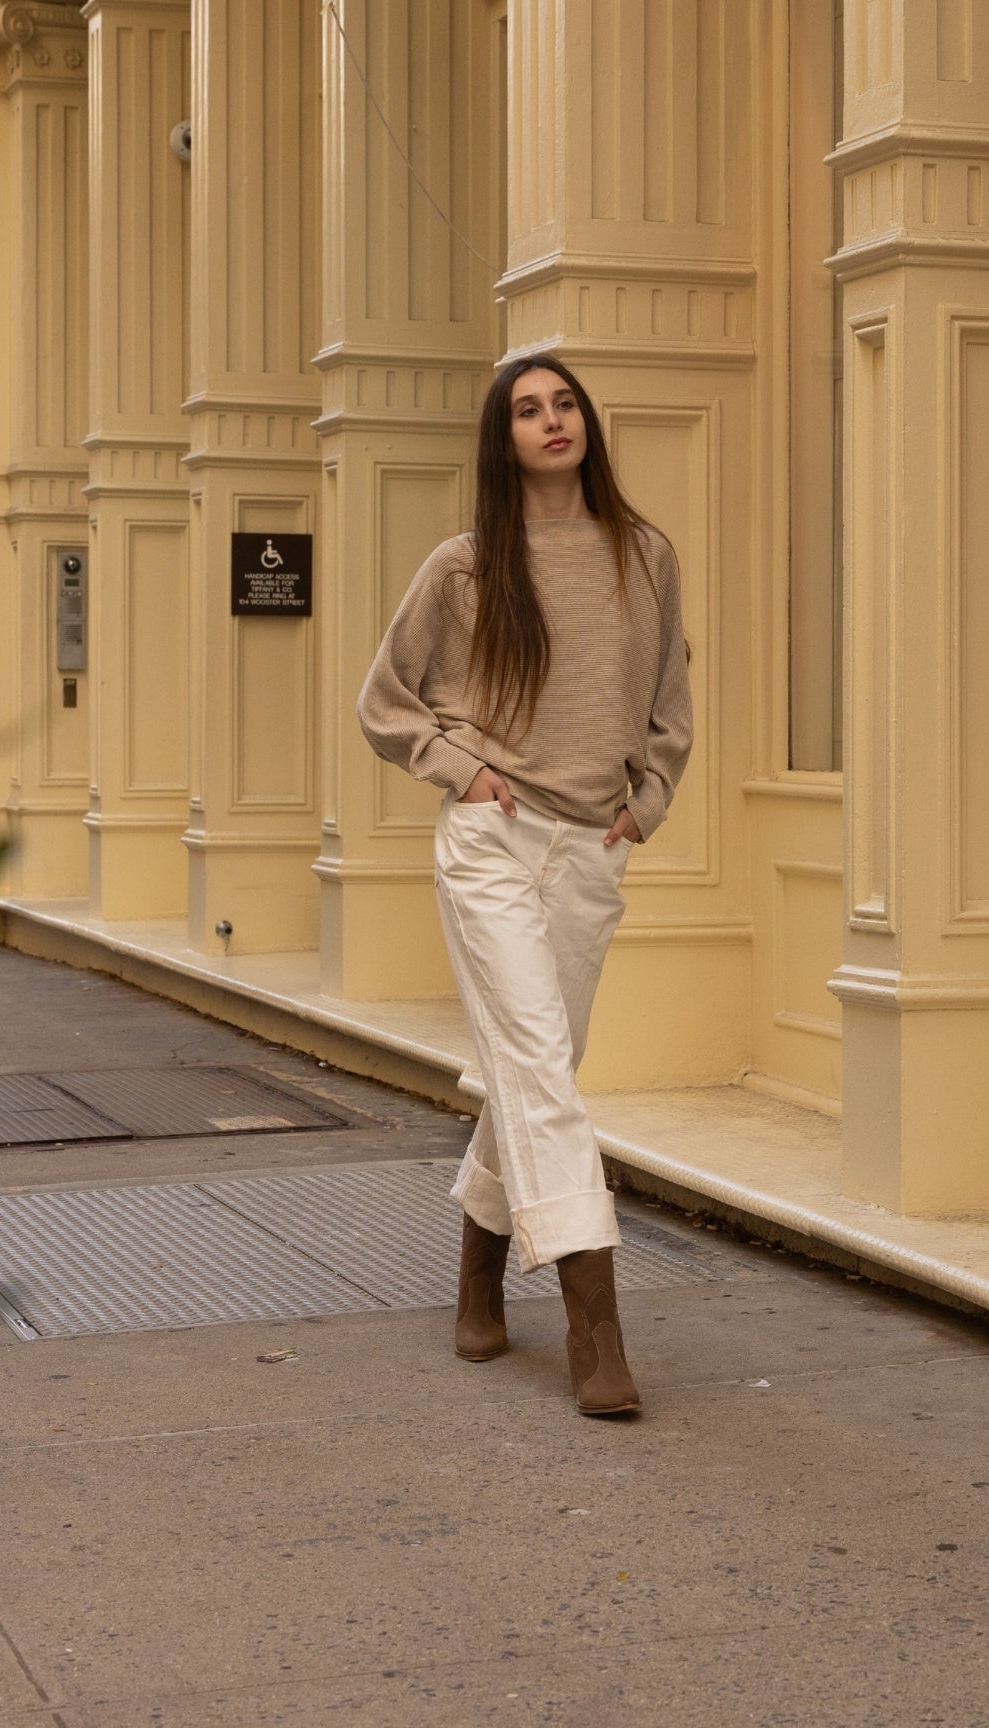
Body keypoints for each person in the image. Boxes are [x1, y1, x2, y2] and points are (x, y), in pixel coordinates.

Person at [357, 355, 693, 1418]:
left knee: (536, 1063)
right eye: (527, 410)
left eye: (563, 404)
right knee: (542, 1067)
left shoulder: (645, 556)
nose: (552, 421)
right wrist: (464, 772)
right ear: (501, 442)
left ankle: (476, 1271)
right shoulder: (462, 569)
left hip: (591, 849)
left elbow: (669, 700)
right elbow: (385, 701)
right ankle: (597, 1330)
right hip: (494, 843)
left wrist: (649, 797)